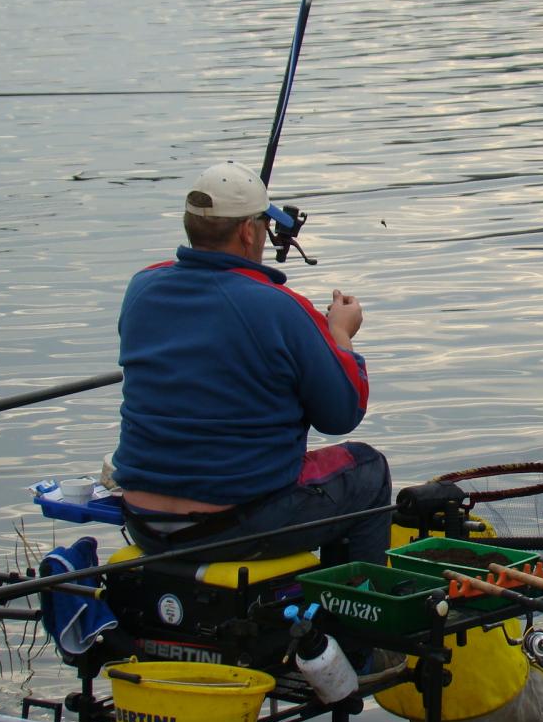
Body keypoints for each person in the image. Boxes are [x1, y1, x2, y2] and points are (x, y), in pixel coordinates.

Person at [111, 161, 391, 564]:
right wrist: (340, 334)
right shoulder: (280, 308)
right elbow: (341, 414)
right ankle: (354, 600)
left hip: (143, 520)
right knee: (368, 470)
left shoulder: (141, 289)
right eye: (263, 224)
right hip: (233, 526)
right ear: (247, 231)